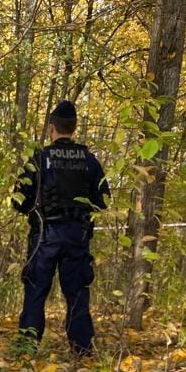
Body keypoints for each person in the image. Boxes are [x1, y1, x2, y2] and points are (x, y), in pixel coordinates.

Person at [13, 99, 109, 357]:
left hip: (44, 237)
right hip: (76, 237)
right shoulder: (90, 161)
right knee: (77, 294)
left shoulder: (39, 159)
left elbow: (18, 201)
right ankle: (82, 350)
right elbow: (104, 200)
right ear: (74, 128)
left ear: (52, 128)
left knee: (35, 292)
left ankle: (26, 350)